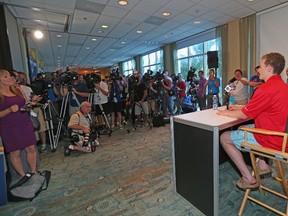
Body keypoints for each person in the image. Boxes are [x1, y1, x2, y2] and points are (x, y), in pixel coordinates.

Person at [217, 52, 288, 189]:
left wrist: (225, 112)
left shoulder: (266, 89)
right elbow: (264, 107)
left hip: (269, 139)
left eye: (261, 66)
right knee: (240, 129)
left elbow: (244, 115)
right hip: (280, 136)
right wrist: (241, 108)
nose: (258, 70)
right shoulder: (283, 87)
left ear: (269, 68)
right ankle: (263, 165)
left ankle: (248, 178)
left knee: (225, 137)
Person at [0, 69, 37, 180]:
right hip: (9, 126)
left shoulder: (17, 90)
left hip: (24, 122)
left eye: (9, 76)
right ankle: (23, 176)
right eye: (6, 76)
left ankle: (33, 171)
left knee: (31, 148)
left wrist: (32, 102)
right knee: (15, 152)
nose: (11, 78)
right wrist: (9, 110)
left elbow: (25, 104)